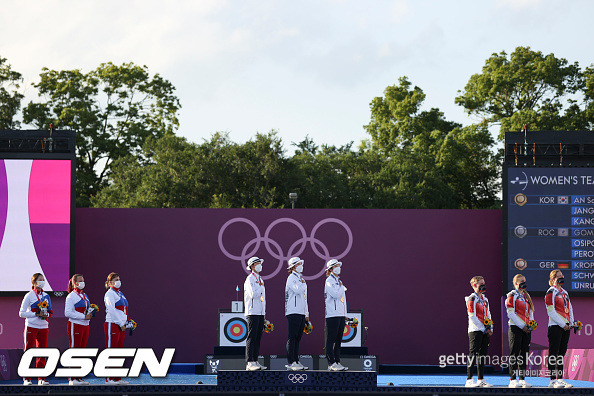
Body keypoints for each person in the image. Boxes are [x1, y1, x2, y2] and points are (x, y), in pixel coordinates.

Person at [18, 273, 53, 386]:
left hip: (43, 327)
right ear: (34, 282)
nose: (42, 282)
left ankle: (41, 378)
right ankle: (26, 378)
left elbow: (51, 313)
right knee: (28, 351)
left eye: (43, 280)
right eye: (40, 280)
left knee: (42, 352)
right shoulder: (29, 296)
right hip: (31, 326)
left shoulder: (47, 296)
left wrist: (45, 314)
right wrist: (36, 314)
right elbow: (21, 313)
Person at [545, 270, 574, 388]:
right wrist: (563, 324)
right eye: (559, 277)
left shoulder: (565, 292)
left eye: (562, 276)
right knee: (554, 353)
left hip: (566, 326)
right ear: (553, 279)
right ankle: (552, 380)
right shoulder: (550, 292)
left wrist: (571, 322)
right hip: (555, 326)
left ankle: (560, 378)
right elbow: (550, 311)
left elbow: (570, 308)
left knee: (561, 354)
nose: (562, 278)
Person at [64, 274, 94, 385]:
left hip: (85, 325)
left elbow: (86, 310)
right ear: (75, 283)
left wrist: (90, 314)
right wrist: (83, 317)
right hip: (75, 325)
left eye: (83, 280)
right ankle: (72, 378)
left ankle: (79, 377)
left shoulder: (85, 295)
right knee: (74, 350)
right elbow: (67, 313)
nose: (83, 282)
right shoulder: (71, 296)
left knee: (82, 351)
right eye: (80, 281)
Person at [506, 274, 534, 388]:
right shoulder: (511, 295)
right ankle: (512, 380)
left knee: (524, 354)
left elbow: (530, 312)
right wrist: (522, 325)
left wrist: (531, 324)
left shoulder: (526, 296)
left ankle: (522, 379)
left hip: (526, 329)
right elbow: (510, 313)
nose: (524, 283)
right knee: (515, 353)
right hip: (515, 328)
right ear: (516, 283)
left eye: (525, 281)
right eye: (522, 281)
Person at [465, 276, 493, 388]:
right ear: (474, 285)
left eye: (484, 283)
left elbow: (488, 314)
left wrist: (490, 328)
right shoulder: (471, 298)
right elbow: (472, 316)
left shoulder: (485, 299)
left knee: (482, 356)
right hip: (475, 330)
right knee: (473, 354)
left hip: (485, 331)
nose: (483, 285)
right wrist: (483, 328)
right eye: (481, 284)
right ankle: (469, 379)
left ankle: (480, 379)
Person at [104, 272, 130, 385]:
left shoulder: (120, 294)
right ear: (110, 282)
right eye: (116, 279)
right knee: (112, 351)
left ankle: (117, 378)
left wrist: (127, 322)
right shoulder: (109, 294)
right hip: (112, 324)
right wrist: (120, 323)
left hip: (121, 326)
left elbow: (124, 310)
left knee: (119, 352)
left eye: (119, 279)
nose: (118, 281)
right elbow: (112, 310)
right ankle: (109, 378)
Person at [285, 256, 309, 371]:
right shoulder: (291, 278)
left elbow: (304, 298)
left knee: (298, 338)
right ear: (293, 266)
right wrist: (304, 285)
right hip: (293, 311)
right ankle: (291, 362)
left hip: (301, 312)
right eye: (299, 264)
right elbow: (298, 290)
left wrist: (306, 313)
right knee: (292, 337)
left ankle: (296, 360)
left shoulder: (300, 279)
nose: (301, 266)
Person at [244, 256, 267, 371]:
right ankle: (249, 362)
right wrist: (261, 287)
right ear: (252, 266)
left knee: (258, 337)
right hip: (252, 312)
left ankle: (255, 360)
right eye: (257, 263)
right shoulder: (250, 279)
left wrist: (264, 313)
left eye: (260, 263)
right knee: (251, 337)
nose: (260, 265)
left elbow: (262, 298)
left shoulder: (260, 279)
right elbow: (253, 294)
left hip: (260, 312)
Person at [324, 259, 348, 371]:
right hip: (332, 315)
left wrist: (345, 314)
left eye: (339, 265)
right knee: (331, 340)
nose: (339, 267)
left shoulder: (338, 281)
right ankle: (331, 363)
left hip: (340, 314)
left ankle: (337, 362)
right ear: (331, 268)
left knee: (338, 340)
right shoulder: (329, 281)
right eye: (337, 266)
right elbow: (335, 294)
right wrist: (342, 288)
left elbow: (342, 299)